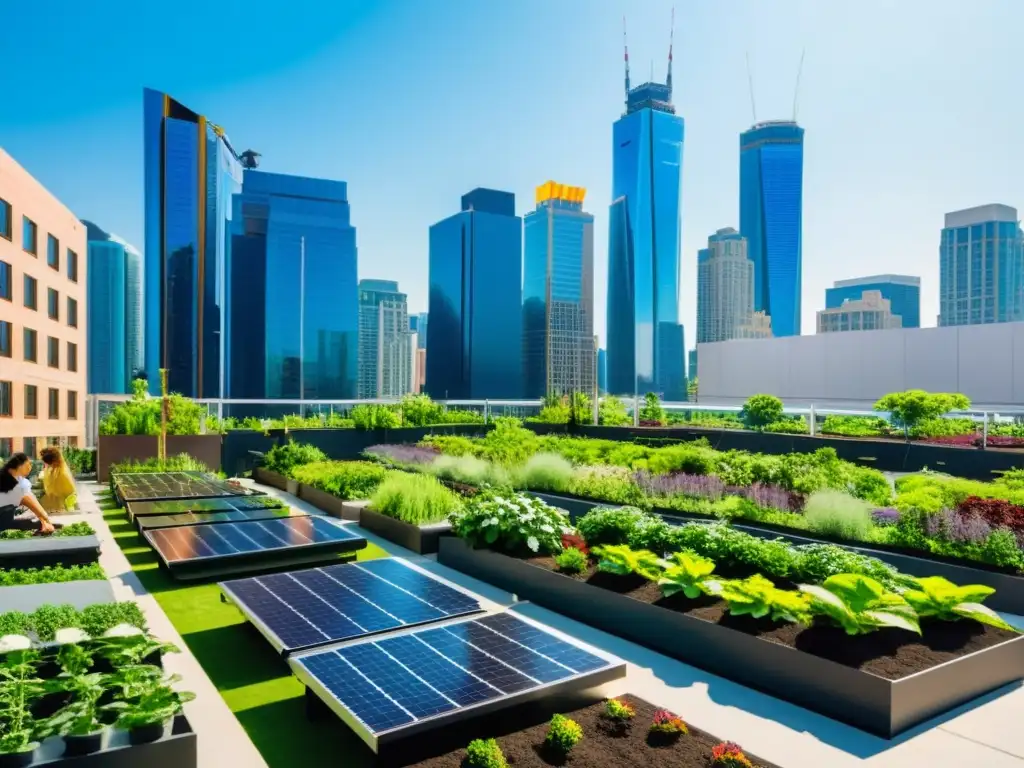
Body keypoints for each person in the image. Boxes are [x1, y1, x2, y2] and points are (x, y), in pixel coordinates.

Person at [0, 453, 55, 534]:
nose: (30, 467)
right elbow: (26, 499)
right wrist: (46, 519)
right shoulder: (7, 480)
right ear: (20, 465)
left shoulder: (19, 480)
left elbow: (31, 498)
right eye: (28, 464)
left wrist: (43, 520)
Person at [40, 446, 77, 513]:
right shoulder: (51, 470)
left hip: (60, 509)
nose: (48, 465)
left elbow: (71, 493)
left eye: (50, 463)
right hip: (50, 507)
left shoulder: (63, 474)